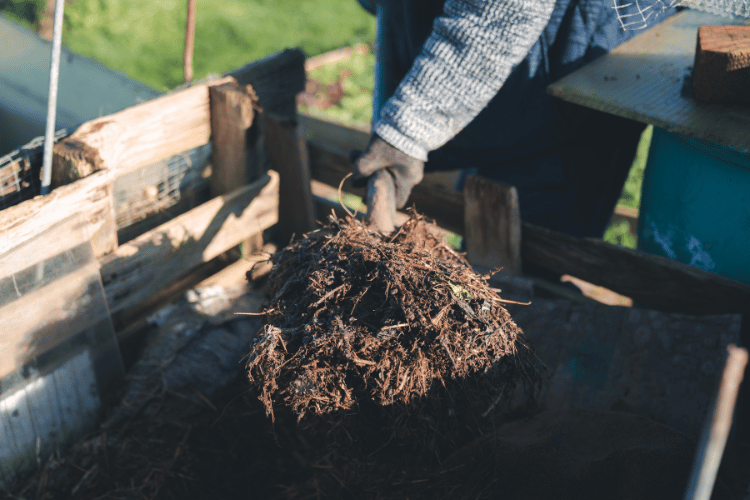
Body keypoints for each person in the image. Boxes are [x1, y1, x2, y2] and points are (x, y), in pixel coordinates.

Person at [352, 0, 677, 241]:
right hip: (500, 66)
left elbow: (506, 10)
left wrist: (407, 129)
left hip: (574, 51)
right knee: (485, 227)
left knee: (532, 241)